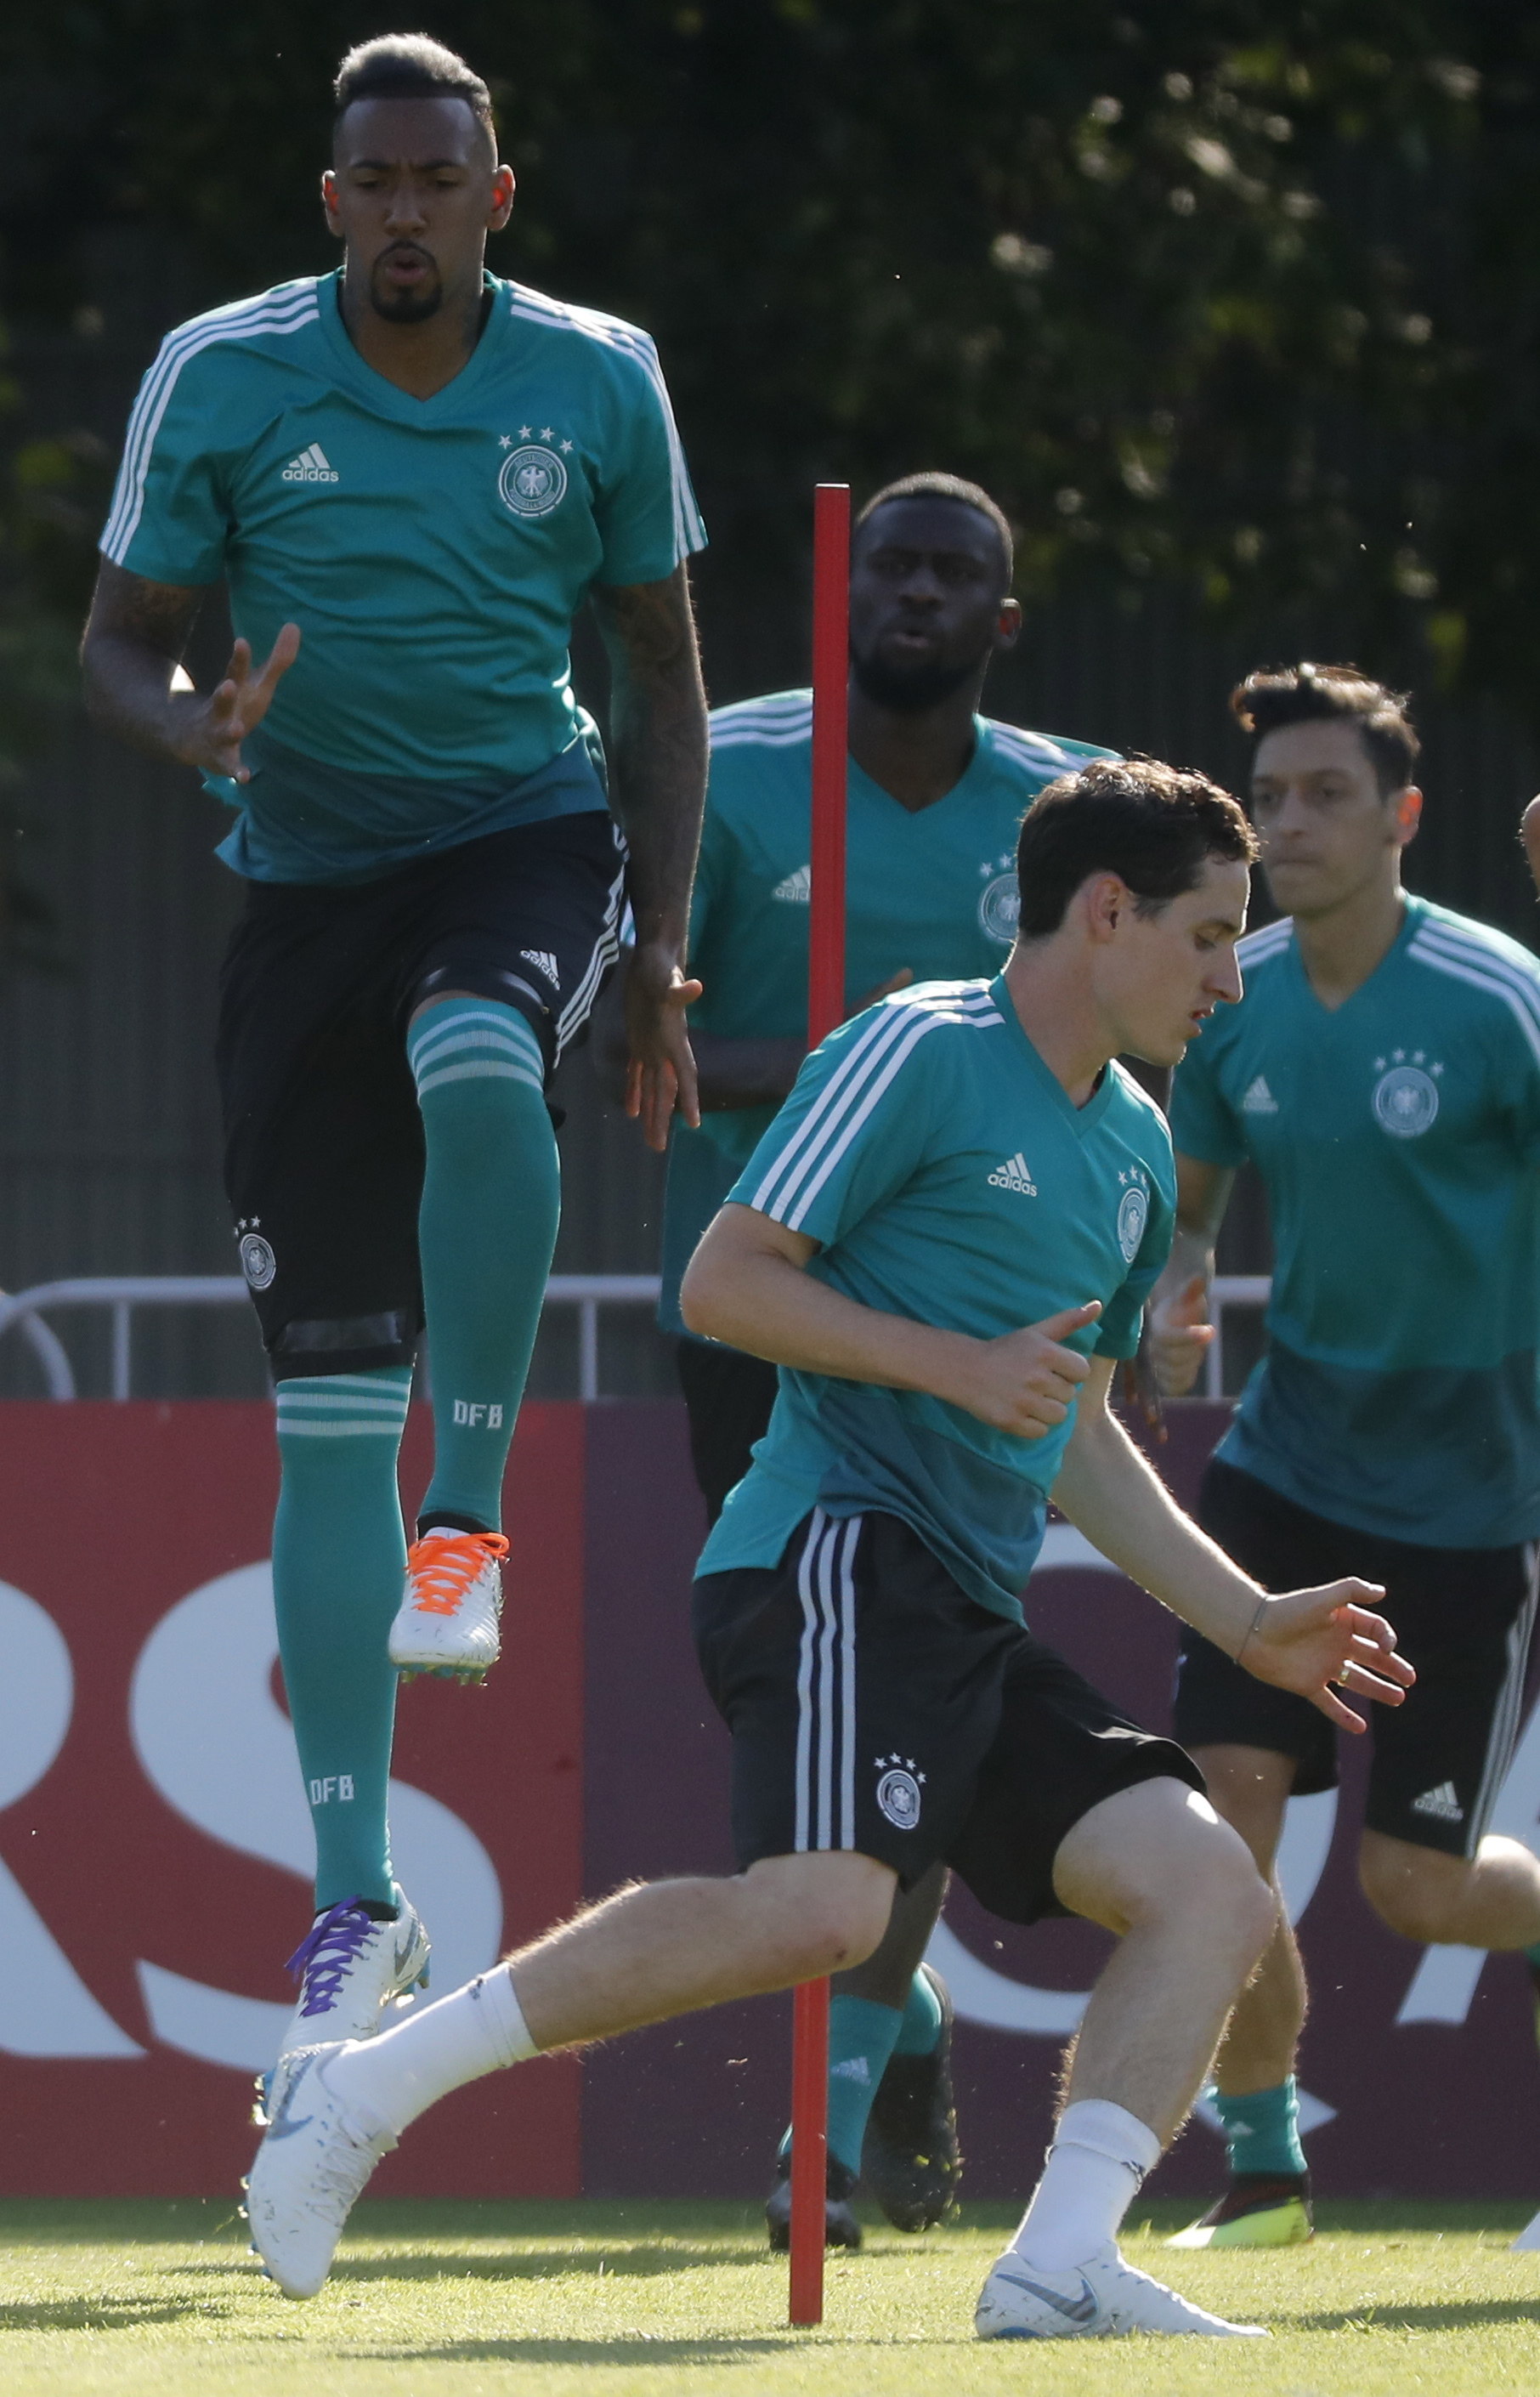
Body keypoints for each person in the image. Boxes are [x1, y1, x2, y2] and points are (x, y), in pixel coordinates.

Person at [244, 757, 1411, 2337]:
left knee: (1209, 1886)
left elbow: (1065, 1426)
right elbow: (725, 1283)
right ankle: (363, 2093)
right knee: (829, 1912)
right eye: (1210, 936)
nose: (1229, 979)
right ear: (1109, 912)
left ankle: (1060, 2263)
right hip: (833, 1551)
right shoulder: (915, 1049)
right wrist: (951, 1364)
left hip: (965, 1606)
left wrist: (1247, 1609)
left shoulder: (1135, 1151)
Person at [80, 35, 707, 2063]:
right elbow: (117, 630)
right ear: (331, 201)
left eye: (447, 178)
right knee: (316, 1409)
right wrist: (182, 717)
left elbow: (663, 671)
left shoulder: (598, 377)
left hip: (521, 835)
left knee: (472, 1060)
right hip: (302, 894)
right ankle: (353, 1905)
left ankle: (475, 1520)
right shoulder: (225, 372)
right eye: (379, 181)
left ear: (494, 199)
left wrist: (661, 946)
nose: (411, 209)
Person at [644, 470, 1115, 2247]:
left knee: (911, 1689)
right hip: (757, 1307)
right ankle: (897, 2017)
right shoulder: (728, 771)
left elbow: (1112, 1035)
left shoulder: (1058, 815)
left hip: (979, 1332)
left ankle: (826, 2128)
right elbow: (644, 1045)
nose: (915, 591)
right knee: (798, 1713)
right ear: (839, 597)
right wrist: (876, 1072)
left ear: (1004, 617)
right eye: (889, 564)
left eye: (957, 573)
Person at [1149, 664, 1540, 2252]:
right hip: (1283, 1469)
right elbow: (1184, 1200)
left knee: (1415, 1889)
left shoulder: (1500, 996)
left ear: (1406, 819)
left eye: (1325, 796)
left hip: (1471, 1498)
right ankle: (1264, 2170)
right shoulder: (1223, 991)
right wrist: (1174, 1275)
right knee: (1214, 1820)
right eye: (1272, 799)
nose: (1290, 825)